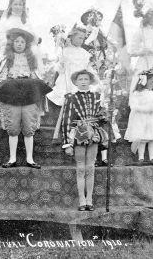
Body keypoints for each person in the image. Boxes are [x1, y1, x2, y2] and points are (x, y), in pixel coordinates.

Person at [0, 28, 51, 169]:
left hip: (28, 94)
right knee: (12, 127)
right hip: (12, 94)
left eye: (22, 42)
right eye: (17, 41)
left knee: (28, 126)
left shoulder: (31, 60)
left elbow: (36, 76)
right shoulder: (6, 59)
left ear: (26, 44)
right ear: (12, 43)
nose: (19, 44)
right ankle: (12, 159)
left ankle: (30, 159)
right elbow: (1, 78)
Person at [61, 69, 109, 211]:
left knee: (91, 167)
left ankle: (90, 200)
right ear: (76, 82)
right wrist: (67, 143)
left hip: (93, 134)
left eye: (86, 79)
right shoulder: (71, 98)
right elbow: (66, 120)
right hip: (79, 134)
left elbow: (102, 116)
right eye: (80, 79)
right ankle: (82, 200)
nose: (83, 82)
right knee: (81, 167)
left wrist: (105, 115)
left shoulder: (97, 96)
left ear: (90, 81)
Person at [124, 67, 153, 162]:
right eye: (152, 81)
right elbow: (134, 106)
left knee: (151, 138)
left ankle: (152, 157)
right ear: (145, 81)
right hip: (141, 119)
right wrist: (146, 109)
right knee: (143, 139)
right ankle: (141, 158)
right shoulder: (137, 93)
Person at [47, 26, 92, 106]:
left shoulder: (84, 53)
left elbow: (86, 68)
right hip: (67, 78)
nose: (81, 41)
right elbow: (60, 69)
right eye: (79, 38)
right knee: (66, 98)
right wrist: (62, 63)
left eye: (83, 39)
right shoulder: (66, 51)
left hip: (80, 79)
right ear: (72, 37)